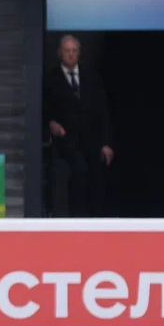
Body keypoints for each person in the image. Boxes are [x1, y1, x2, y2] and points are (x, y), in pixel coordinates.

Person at [43, 35, 114, 217]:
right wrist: (51, 123)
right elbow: (44, 109)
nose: (71, 55)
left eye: (74, 51)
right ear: (60, 53)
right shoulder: (51, 79)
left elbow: (103, 112)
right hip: (67, 141)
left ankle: (98, 222)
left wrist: (106, 143)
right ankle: (77, 221)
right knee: (79, 172)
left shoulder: (91, 77)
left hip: (92, 139)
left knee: (98, 175)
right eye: (67, 51)